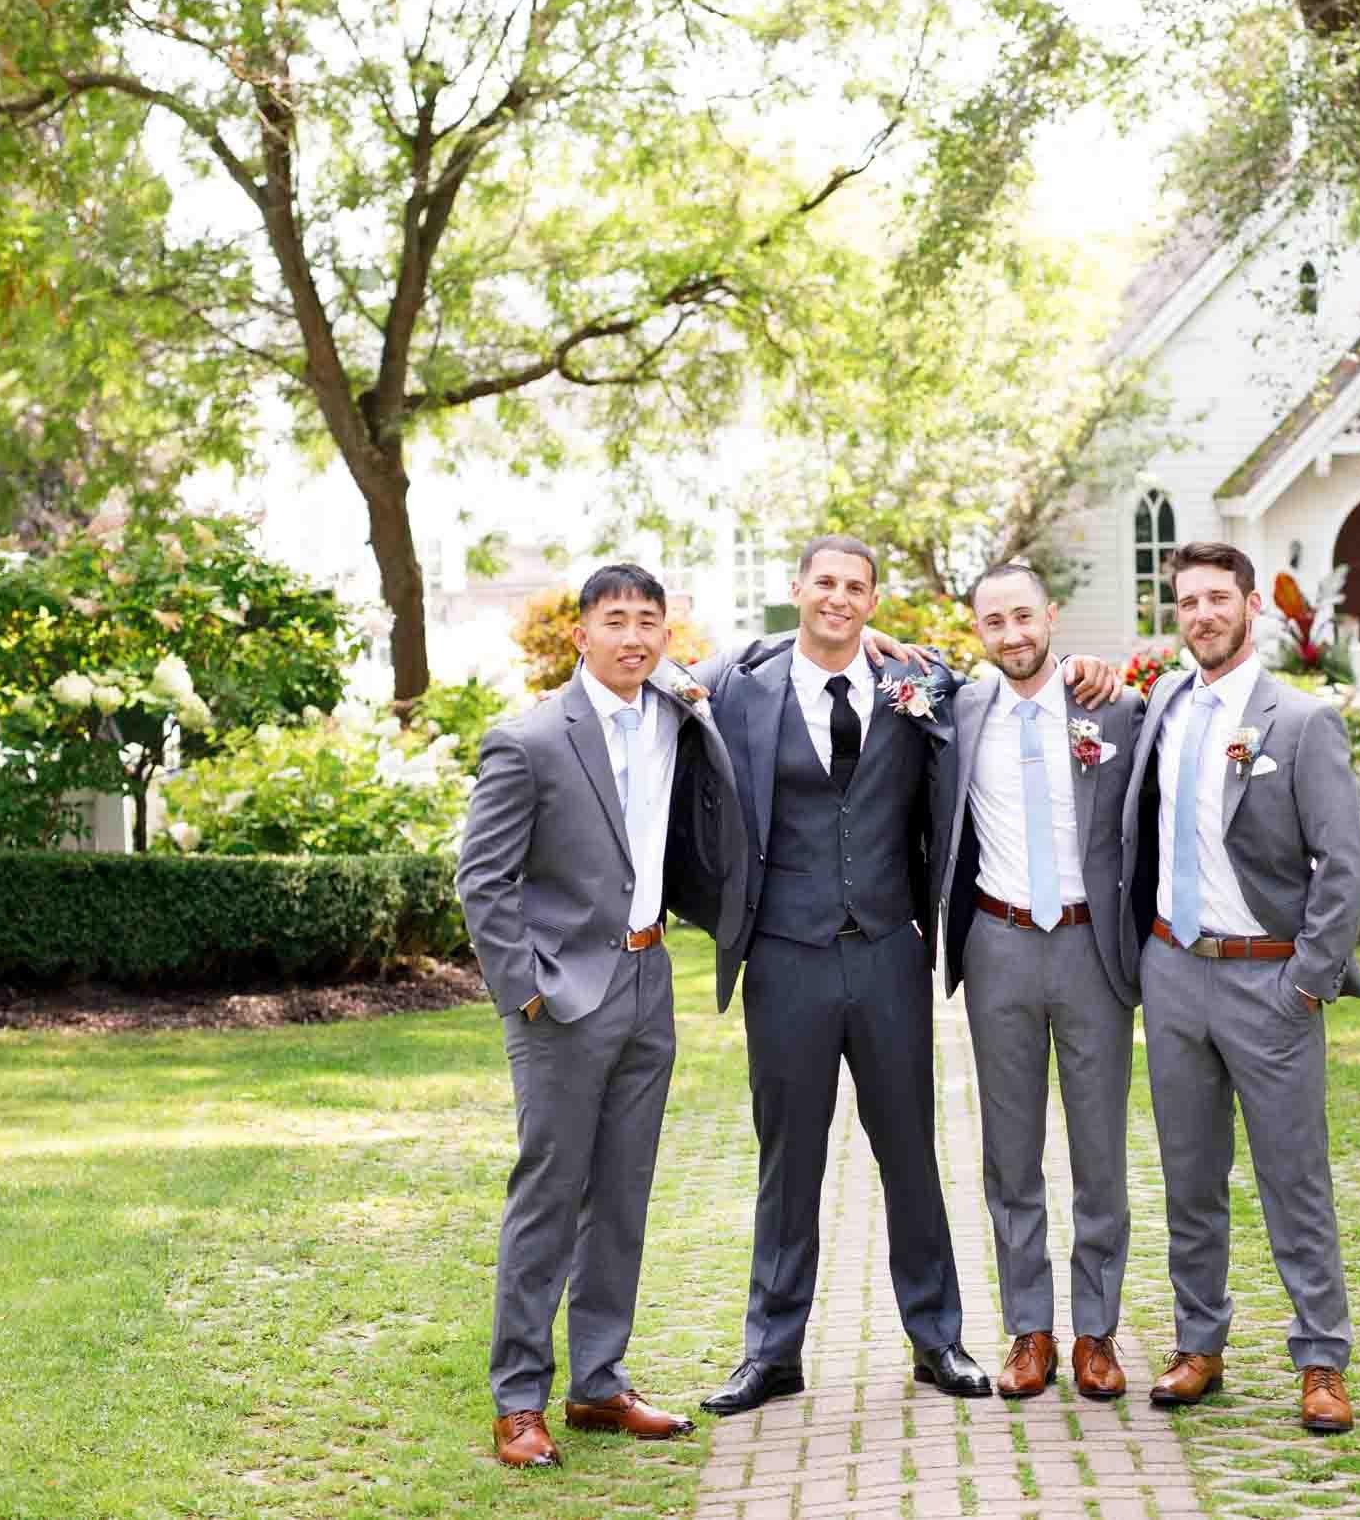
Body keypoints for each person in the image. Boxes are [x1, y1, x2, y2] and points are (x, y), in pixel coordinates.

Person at [695, 535, 1122, 1414]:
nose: (839, 599)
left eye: (856, 587)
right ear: (796, 589)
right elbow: (673, 679)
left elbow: (1017, 684)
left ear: (874, 599)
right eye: (825, 584)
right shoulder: (748, 683)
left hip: (890, 952)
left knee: (911, 1155)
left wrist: (1088, 668)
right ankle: (771, 1350)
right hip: (784, 957)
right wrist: (749, 645)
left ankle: (937, 1339)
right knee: (789, 1160)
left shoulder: (922, 687)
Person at [456, 563, 746, 1470]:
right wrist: (526, 990)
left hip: (647, 978)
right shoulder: (531, 738)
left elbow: (788, 654)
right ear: (580, 633)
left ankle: (598, 1383)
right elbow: (483, 879)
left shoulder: (678, 712)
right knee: (549, 1194)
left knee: (622, 1193)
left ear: (666, 634)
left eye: (648, 621)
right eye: (614, 619)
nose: (632, 635)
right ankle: (518, 1401)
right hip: (561, 997)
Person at [1119, 540, 1360, 1435]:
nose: (1201, 615)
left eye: (1217, 599)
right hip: (1174, 973)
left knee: (1293, 1179)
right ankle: (1199, 1344)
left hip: (1270, 982)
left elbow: (1343, 868)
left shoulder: (1300, 722)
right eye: (1187, 601)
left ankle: (1321, 1361)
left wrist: (1307, 981)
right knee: (1190, 1178)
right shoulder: (1160, 709)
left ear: (1251, 606)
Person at [935, 561, 1147, 1401]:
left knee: (1099, 1152)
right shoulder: (957, 710)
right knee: (1009, 1152)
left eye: (1025, 616)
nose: (1013, 634)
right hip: (999, 944)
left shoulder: (1115, 707)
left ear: (1051, 615)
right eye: (995, 622)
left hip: (1091, 947)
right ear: (977, 632)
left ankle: (1097, 1332)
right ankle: (1031, 1330)